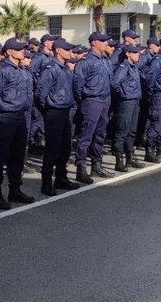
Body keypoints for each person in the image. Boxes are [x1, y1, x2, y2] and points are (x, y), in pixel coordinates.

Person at [0, 38, 35, 210]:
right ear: (9, 52)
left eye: (23, 49)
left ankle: (15, 189)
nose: (22, 51)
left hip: (20, 116)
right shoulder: (2, 71)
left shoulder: (22, 71)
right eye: (18, 49)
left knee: (18, 155)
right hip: (6, 117)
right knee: (0, 156)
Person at [36, 38, 79, 196]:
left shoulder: (66, 67)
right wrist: (48, 108)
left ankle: (61, 177)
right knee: (52, 148)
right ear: (58, 50)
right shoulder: (51, 68)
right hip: (54, 112)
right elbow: (41, 94)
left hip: (65, 111)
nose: (70, 52)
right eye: (67, 49)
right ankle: (46, 182)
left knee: (65, 147)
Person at [73, 31, 114, 183]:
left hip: (104, 100)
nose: (106, 43)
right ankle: (81, 167)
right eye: (102, 41)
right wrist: (84, 100)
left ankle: (96, 165)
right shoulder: (86, 61)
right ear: (94, 43)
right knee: (86, 135)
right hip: (91, 101)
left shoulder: (105, 59)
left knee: (100, 134)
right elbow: (78, 85)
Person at [111, 44, 145, 171]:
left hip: (135, 101)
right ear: (128, 54)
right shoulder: (124, 67)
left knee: (131, 131)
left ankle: (130, 157)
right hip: (126, 102)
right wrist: (124, 95)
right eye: (135, 52)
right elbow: (115, 83)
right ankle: (119, 160)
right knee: (122, 131)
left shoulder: (133, 67)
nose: (138, 54)